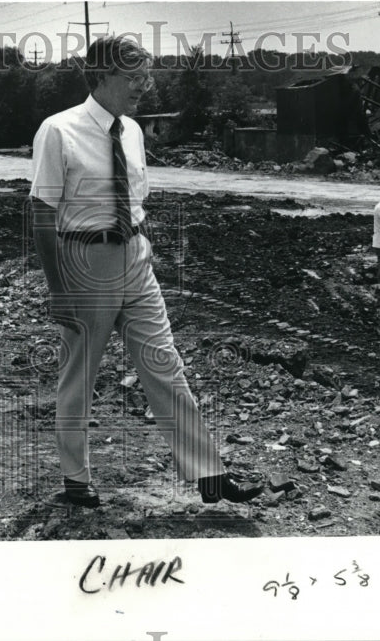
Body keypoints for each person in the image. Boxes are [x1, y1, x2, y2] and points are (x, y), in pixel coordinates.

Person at [29, 36, 264, 509]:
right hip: (83, 265)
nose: (144, 86)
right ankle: (76, 482)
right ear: (101, 76)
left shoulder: (133, 131)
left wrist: (143, 243)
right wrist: (58, 289)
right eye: (133, 77)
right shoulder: (58, 131)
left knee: (164, 363)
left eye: (147, 76)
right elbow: (40, 212)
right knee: (80, 376)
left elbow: (137, 197)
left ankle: (209, 476)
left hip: (135, 260)